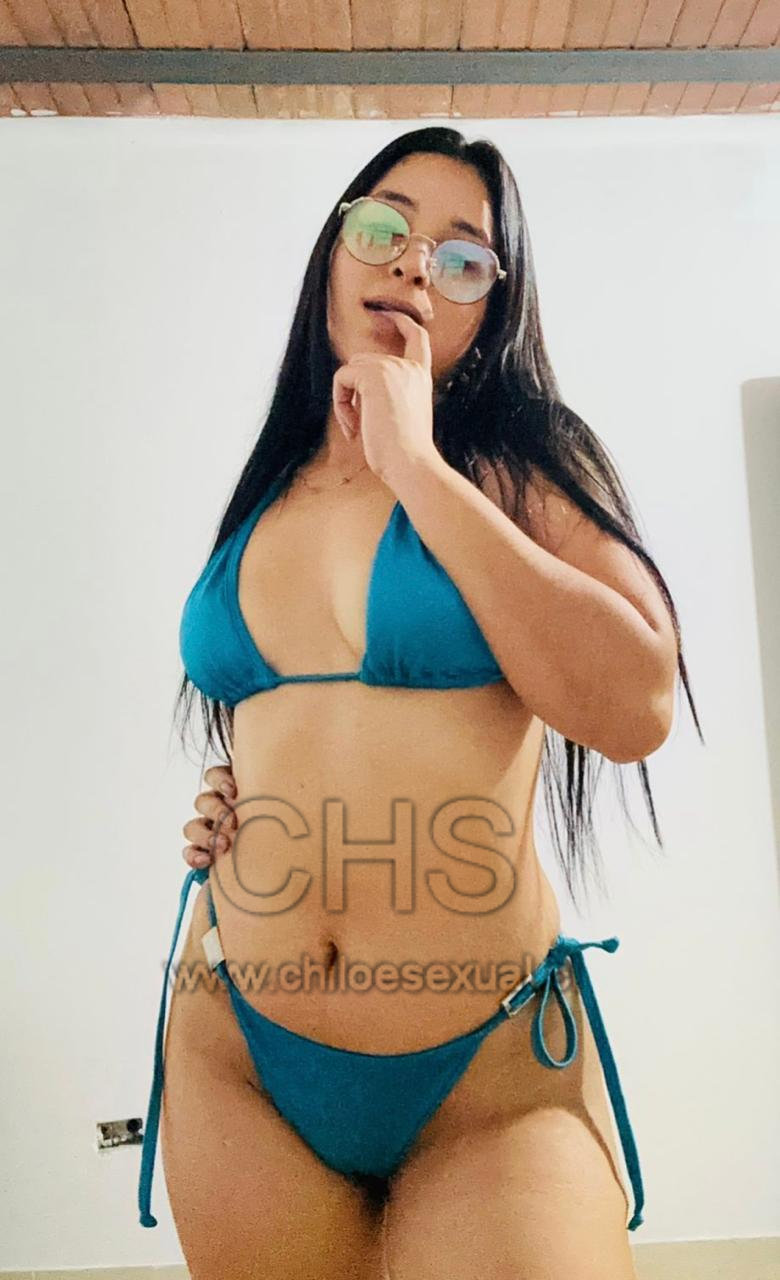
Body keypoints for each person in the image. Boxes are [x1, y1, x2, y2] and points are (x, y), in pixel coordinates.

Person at [137, 126, 701, 1278]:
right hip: (237, 1048)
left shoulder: (524, 462)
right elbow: (294, 718)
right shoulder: (270, 482)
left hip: (484, 1071)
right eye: (385, 226)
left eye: (462, 258)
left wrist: (416, 462)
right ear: (334, 248)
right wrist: (235, 797)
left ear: (490, 309)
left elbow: (636, 701)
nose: (411, 262)